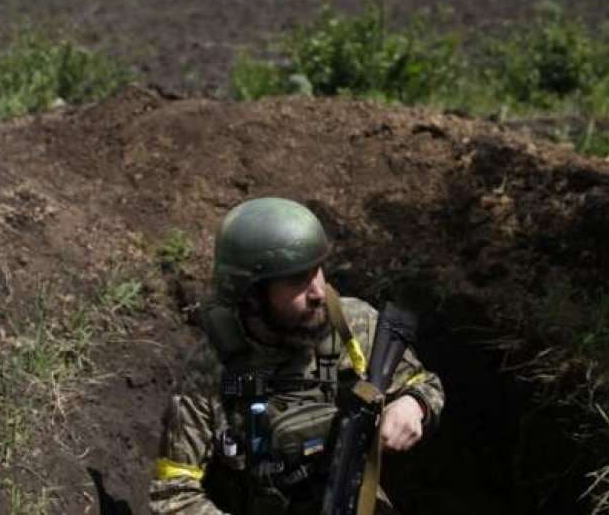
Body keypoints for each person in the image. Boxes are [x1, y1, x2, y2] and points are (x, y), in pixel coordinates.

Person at [149, 197, 444, 515]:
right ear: (253, 294)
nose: (318, 291)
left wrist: (414, 403)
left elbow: (425, 383)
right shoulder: (210, 371)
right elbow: (172, 492)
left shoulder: (353, 325)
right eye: (296, 280)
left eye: (317, 271)